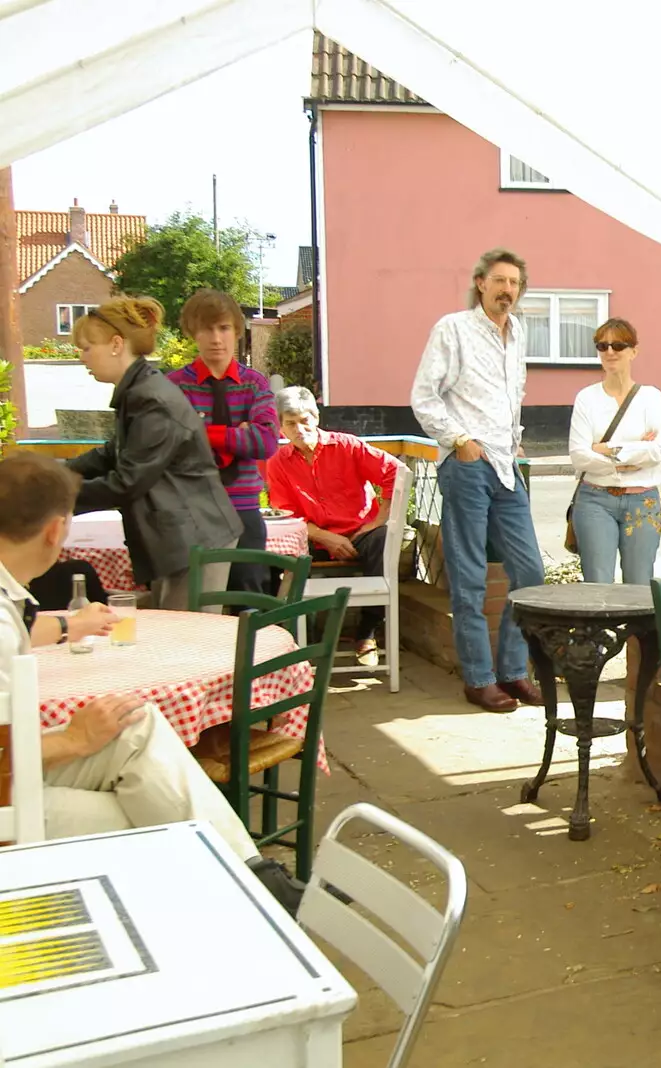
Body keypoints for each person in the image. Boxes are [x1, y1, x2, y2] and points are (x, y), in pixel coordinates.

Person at [0, 453, 302, 913]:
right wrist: (73, 739)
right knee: (159, 819)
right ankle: (253, 893)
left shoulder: (7, 604)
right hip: (8, 797)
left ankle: (255, 883)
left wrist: (66, 630)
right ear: (56, 531)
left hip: (17, 768)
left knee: (135, 722)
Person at [411, 248, 546, 713]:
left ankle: (512, 671)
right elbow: (424, 397)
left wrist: (515, 439)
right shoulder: (454, 329)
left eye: (515, 283)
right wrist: (459, 440)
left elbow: (514, 394)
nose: (508, 290)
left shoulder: (519, 333)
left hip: (506, 464)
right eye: (500, 281)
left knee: (530, 573)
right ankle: (478, 678)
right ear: (481, 283)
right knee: (469, 576)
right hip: (468, 464)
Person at [66, 297, 242, 610]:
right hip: (181, 537)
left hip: (195, 537)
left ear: (116, 344)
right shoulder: (139, 392)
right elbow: (112, 453)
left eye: (87, 347)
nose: (82, 357)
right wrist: (52, 474)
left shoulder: (151, 399)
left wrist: (53, 496)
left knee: (184, 646)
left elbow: (128, 481)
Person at [266, 386, 402, 667]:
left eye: (305, 420)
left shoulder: (347, 446)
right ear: (281, 427)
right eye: (290, 423)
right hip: (311, 538)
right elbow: (286, 514)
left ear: (316, 418)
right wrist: (325, 537)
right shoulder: (278, 464)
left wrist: (380, 519)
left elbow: (395, 472)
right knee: (269, 553)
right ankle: (291, 639)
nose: (299, 428)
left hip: (360, 532)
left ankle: (366, 631)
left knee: (384, 539)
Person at [168, 289, 279, 596]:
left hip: (243, 509)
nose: (216, 338)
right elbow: (171, 446)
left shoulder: (254, 383)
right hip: (193, 511)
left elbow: (267, 441)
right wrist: (238, 434)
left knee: (250, 600)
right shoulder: (174, 386)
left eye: (224, 328)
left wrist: (201, 430)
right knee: (196, 607)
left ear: (237, 331)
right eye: (207, 328)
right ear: (193, 333)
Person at [568, 318, 661, 585]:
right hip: (595, 499)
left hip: (643, 500)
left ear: (633, 351)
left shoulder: (651, 397)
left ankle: (636, 630)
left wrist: (603, 451)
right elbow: (579, 455)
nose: (610, 352)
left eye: (618, 345)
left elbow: (658, 451)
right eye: (603, 346)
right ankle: (599, 629)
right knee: (597, 583)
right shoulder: (586, 398)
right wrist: (631, 456)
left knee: (639, 584)